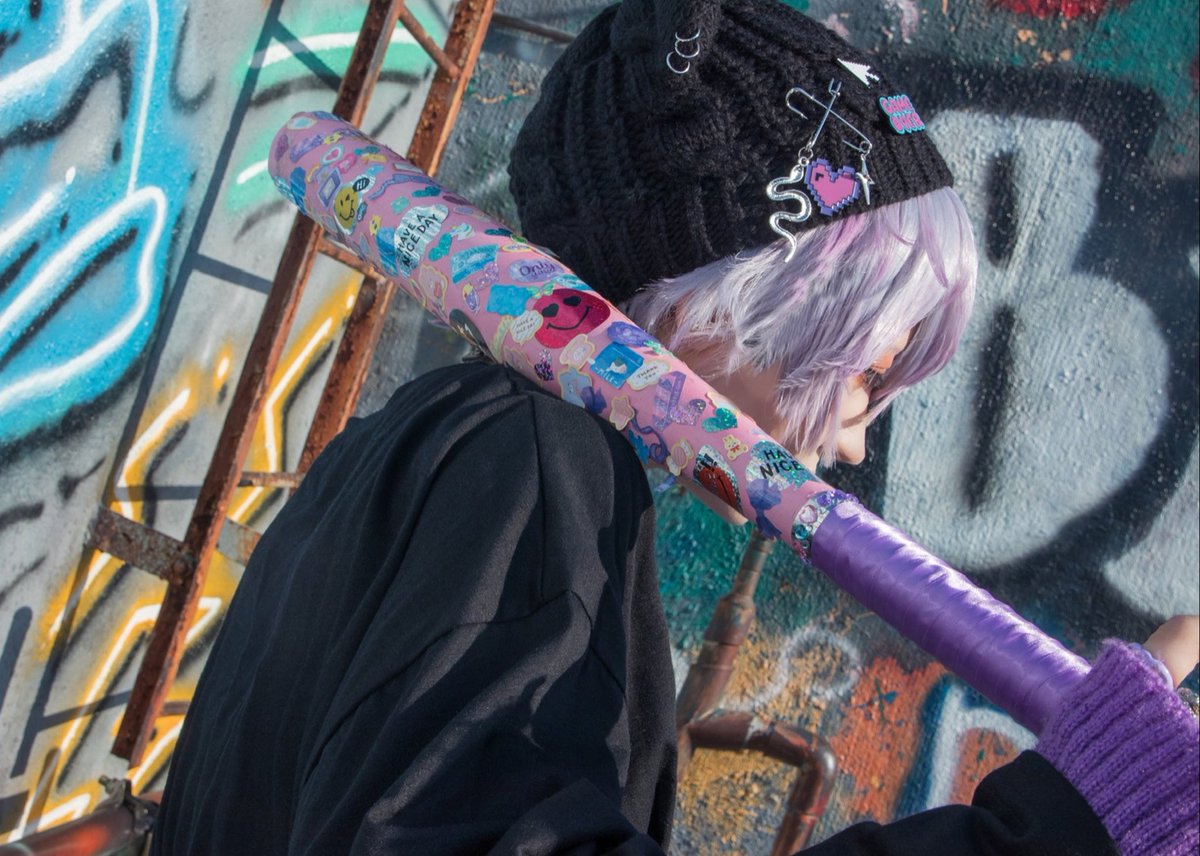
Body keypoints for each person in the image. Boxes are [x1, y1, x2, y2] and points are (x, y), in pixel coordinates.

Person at [150, 1, 1199, 854]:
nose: (853, 444)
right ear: (726, 301)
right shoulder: (534, 470)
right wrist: (1062, 826)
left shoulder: (424, 449)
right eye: (867, 375)